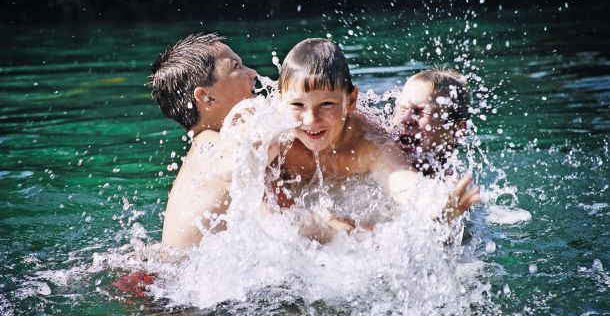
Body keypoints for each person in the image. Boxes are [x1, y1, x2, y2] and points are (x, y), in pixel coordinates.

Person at [275, 38, 479, 231]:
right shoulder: (269, 131)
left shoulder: (369, 142)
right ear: (279, 99)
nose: (311, 119)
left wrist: (434, 205)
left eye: (327, 104)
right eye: (297, 105)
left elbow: (402, 181)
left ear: (351, 101)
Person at [149, 33, 258, 248]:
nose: (252, 73)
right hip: (168, 278)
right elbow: (240, 161)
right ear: (207, 97)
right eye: (236, 67)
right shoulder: (211, 145)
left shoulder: (201, 148)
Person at [392, 69, 471, 177]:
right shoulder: (375, 151)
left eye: (420, 111)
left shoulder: (452, 189)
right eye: (402, 109)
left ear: (457, 130)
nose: (405, 120)